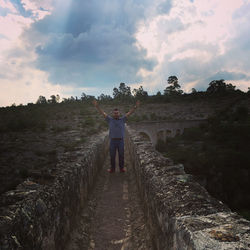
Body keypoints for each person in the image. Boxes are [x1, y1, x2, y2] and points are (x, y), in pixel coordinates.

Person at [93, 99, 140, 173]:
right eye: (115, 113)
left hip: (120, 140)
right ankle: (113, 169)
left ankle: (121, 168)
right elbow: (103, 113)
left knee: (121, 155)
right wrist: (97, 106)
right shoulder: (110, 120)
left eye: (117, 113)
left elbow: (129, 113)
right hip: (112, 141)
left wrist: (135, 107)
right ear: (113, 114)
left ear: (119, 114)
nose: (116, 114)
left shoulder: (122, 119)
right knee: (112, 156)